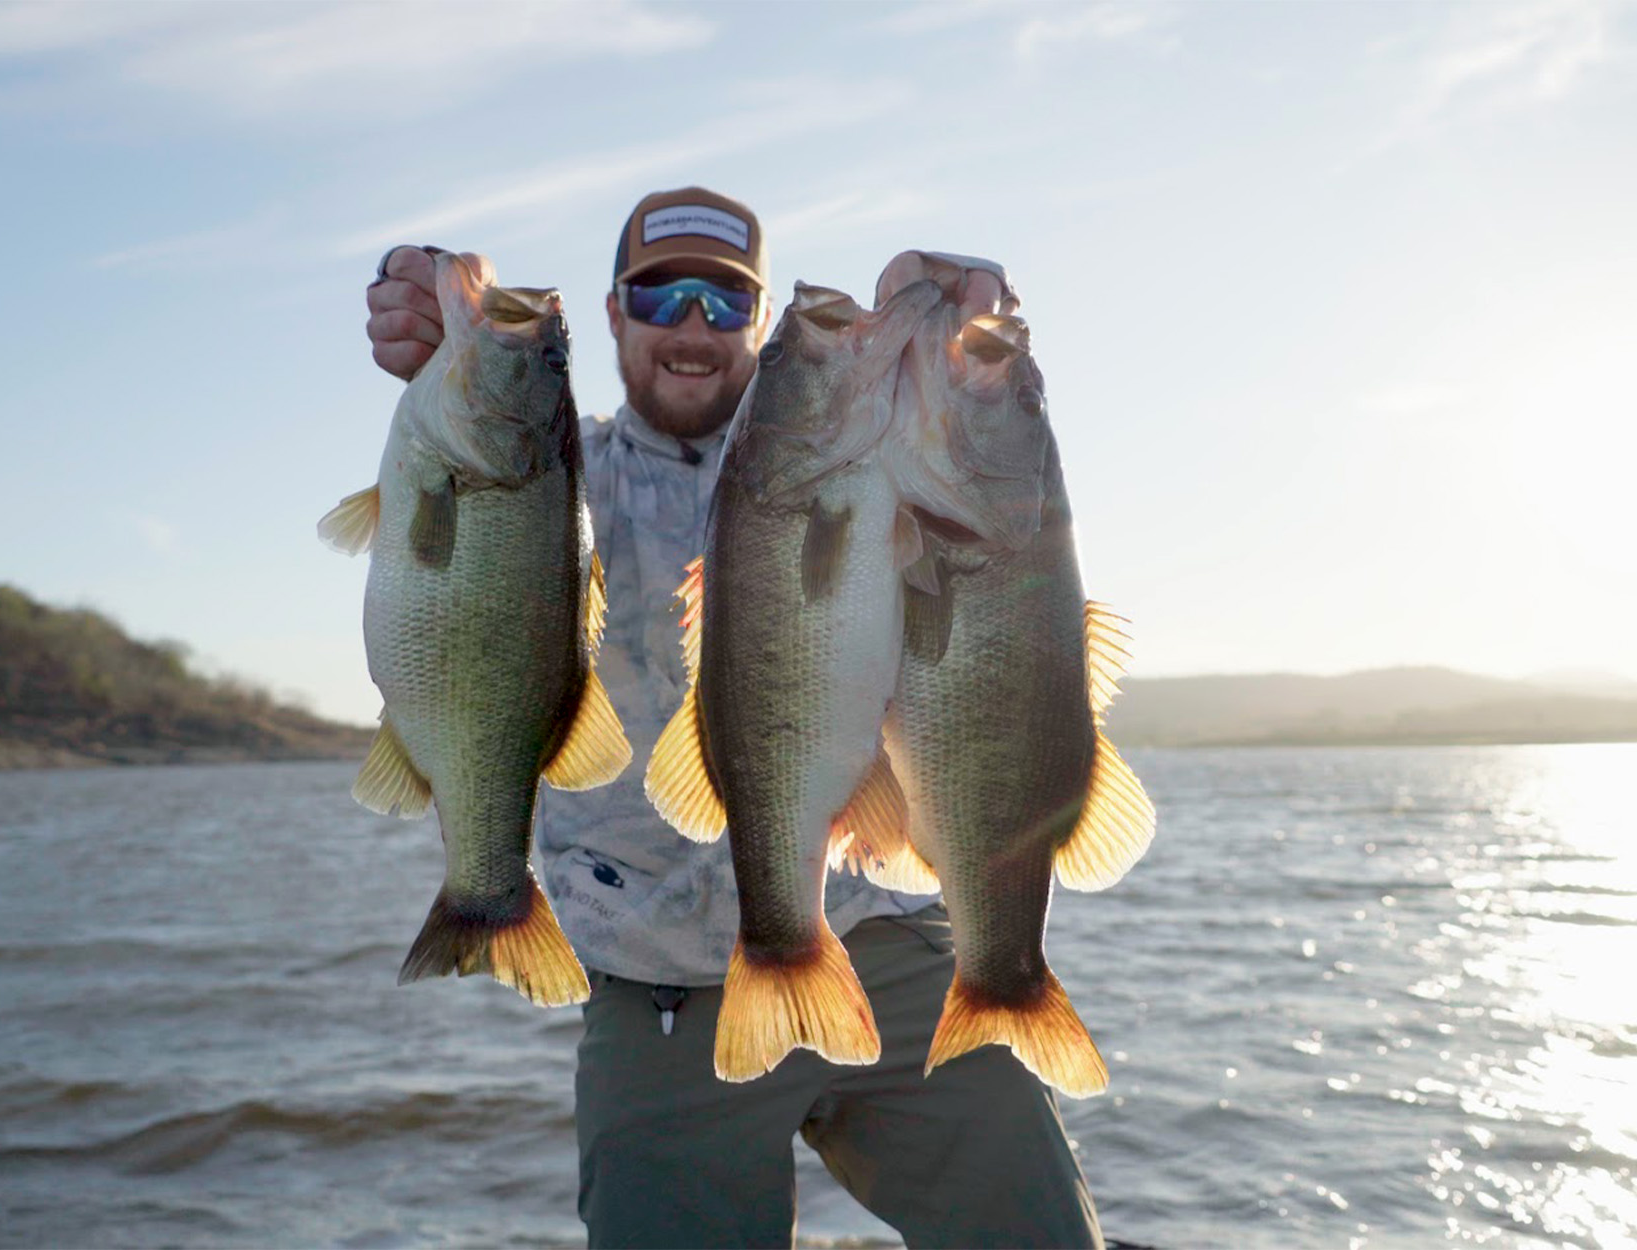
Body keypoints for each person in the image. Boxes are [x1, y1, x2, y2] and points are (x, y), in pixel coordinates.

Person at [365, 188, 1104, 1250]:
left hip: (887, 938)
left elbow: (990, 521)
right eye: (661, 293)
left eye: (726, 297)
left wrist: (945, 312)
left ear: (759, 323)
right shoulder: (550, 476)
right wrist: (427, 302)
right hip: (650, 981)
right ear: (614, 317)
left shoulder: (870, 451)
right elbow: (466, 498)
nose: (693, 323)